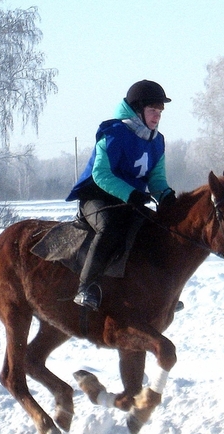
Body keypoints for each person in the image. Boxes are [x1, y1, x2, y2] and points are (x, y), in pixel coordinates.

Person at [66, 79, 176, 310]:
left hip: (128, 201)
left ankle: (156, 291)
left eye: (159, 112)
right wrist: (132, 194)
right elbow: (101, 174)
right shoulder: (113, 133)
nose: (157, 116)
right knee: (111, 228)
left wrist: (165, 196)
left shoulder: (157, 142)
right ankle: (85, 288)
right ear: (138, 110)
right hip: (96, 197)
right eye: (152, 110)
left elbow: (156, 179)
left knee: (155, 229)